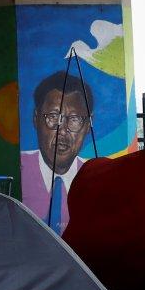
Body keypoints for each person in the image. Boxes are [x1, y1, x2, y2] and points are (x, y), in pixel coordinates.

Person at [20, 72, 94, 234]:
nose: (62, 131)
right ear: (36, 118)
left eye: (74, 119)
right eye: (53, 117)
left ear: (88, 125)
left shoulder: (97, 176)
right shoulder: (17, 167)